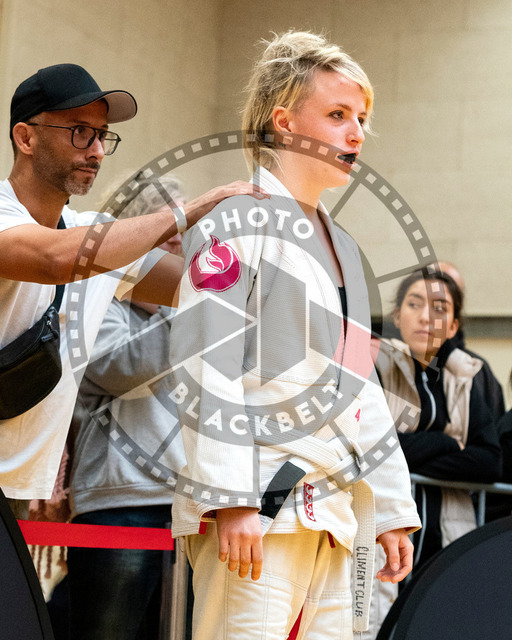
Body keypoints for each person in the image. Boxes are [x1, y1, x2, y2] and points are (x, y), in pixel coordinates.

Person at [169, 31, 421, 640]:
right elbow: (205, 361)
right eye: (337, 115)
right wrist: (231, 498)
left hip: (333, 513)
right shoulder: (235, 222)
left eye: (361, 119)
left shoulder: (345, 250)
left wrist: (390, 506)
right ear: (284, 122)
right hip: (258, 505)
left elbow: (361, 388)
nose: (356, 133)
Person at [0, 63, 267, 509]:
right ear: (26, 138)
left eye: (102, 136)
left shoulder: (92, 230)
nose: (97, 151)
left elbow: (203, 286)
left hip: (17, 485)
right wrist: (186, 212)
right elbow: (54, 259)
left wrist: (255, 236)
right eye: (80, 132)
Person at [65, 174, 188, 640]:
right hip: (121, 503)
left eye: (185, 224)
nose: (178, 236)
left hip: (190, 509)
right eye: (166, 223)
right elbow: (121, 367)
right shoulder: (97, 296)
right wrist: (190, 309)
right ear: (135, 229)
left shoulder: (192, 306)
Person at [365, 268, 502, 639]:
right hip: (384, 535)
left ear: (453, 326)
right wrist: (445, 443)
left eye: (440, 308)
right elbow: (375, 449)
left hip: (448, 537)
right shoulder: (375, 367)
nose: (426, 317)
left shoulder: (466, 377)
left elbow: (488, 461)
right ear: (397, 316)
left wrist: (409, 450)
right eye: (414, 304)